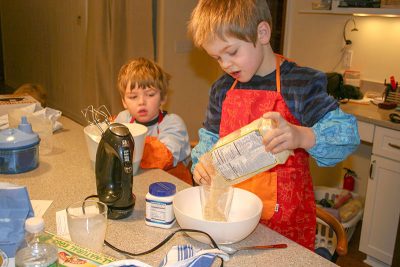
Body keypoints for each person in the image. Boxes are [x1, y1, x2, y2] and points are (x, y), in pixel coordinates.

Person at [188, 0, 360, 250]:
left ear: (262, 33)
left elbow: (347, 136)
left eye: (232, 52)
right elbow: (210, 140)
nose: (225, 64)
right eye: (217, 57)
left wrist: (301, 136)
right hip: (233, 220)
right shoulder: (222, 88)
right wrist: (202, 165)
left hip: (286, 227)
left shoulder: (300, 84)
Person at [114, 57, 192, 184]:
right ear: (123, 101)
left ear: (163, 98)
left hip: (172, 187)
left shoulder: (173, 123)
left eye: (150, 95)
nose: (141, 102)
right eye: (133, 97)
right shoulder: (123, 119)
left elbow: (163, 156)